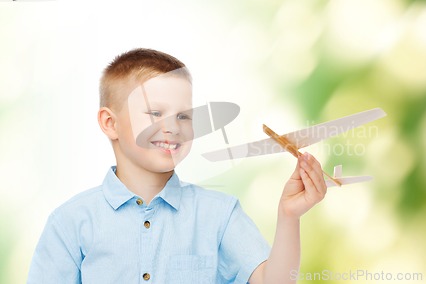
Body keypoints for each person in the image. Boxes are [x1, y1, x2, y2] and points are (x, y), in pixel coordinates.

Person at [27, 48, 328, 283]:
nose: (172, 127)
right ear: (110, 123)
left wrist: (289, 216)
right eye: (155, 113)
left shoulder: (219, 215)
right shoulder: (70, 222)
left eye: (183, 116)